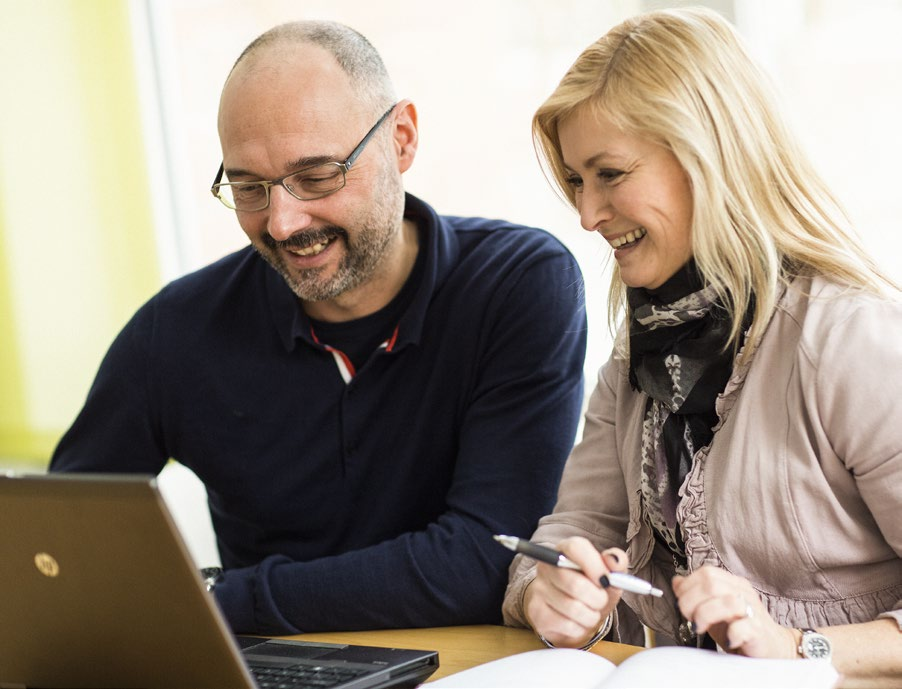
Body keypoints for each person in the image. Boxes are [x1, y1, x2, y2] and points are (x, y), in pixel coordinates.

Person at [50, 20, 588, 635]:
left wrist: (218, 600)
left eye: (316, 176)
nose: (282, 222)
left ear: (402, 139)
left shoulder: (517, 285)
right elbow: (61, 549)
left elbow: (486, 557)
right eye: (250, 187)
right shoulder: (173, 332)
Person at [501, 7, 902, 685]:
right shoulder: (639, 351)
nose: (586, 215)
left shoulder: (848, 337)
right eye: (576, 179)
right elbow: (567, 529)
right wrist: (550, 592)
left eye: (610, 173)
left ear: (706, 159)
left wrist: (797, 645)